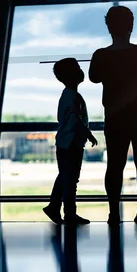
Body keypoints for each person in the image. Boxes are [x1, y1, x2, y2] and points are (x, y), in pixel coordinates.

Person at [89, 5, 137, 225]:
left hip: (115, 117)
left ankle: (113, 212)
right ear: (131, 26)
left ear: (109, 28)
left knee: (114, 165)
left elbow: (93, 78)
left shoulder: (100, 56)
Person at [43, 58, 97, 225]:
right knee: (70, 180)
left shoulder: (69, 95)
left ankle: (54, 207)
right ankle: (69, 213)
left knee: (66, 177)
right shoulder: (72, 96)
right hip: (71, 144)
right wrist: (88, 133)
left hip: (66, 143)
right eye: (78, 68)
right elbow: (75, 119)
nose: (81, 71)